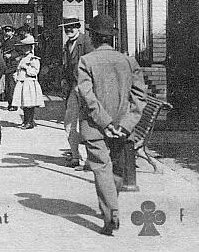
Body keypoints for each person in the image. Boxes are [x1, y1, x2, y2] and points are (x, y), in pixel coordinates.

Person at [76, 14, 146, 236]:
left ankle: (111, 214)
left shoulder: (86, 61)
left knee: (101, 168)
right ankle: (111, 204)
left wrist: (104, 122)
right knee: (115, 169)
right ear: (112, 38)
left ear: (94, 37)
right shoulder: (128, 61)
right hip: (123, 126)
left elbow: (87, 97)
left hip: (95, 127)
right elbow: (139, 98)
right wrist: (125, 125)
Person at [59, 17, 94, 169]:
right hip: (73, 87)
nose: (69, 31)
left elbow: (93, 66)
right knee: (69, 122)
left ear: (78, 27)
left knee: (86, 124)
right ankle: (75, 156)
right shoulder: (67, 44)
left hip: (85, 88)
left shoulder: (86, 42)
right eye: (66, 29)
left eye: (72, 28)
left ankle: (87, 160)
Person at [11, 34, 45, 129]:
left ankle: (29, 122)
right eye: (24, 47)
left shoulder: (33, 59)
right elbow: (18, 70)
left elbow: (34, 72)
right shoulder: (22, 58)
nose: (25, 49)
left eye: (27, 47)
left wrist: (26, 67)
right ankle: (26, 121)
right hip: (22, 82)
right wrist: (16, 75)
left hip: (29, 83)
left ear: (31, 48)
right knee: (24, 103)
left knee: (29, 104)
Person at [1, 25, 19, 111]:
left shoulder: (16, 40)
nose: (7, 32)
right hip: (7, 65)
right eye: (6, 31)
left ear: (13, 32)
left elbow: (20, 52)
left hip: (13, 65)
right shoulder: (6, 41)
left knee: (12, 86)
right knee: (8, 86)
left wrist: (11, 55)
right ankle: (10, 103)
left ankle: (14, 104)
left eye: (9, 31)